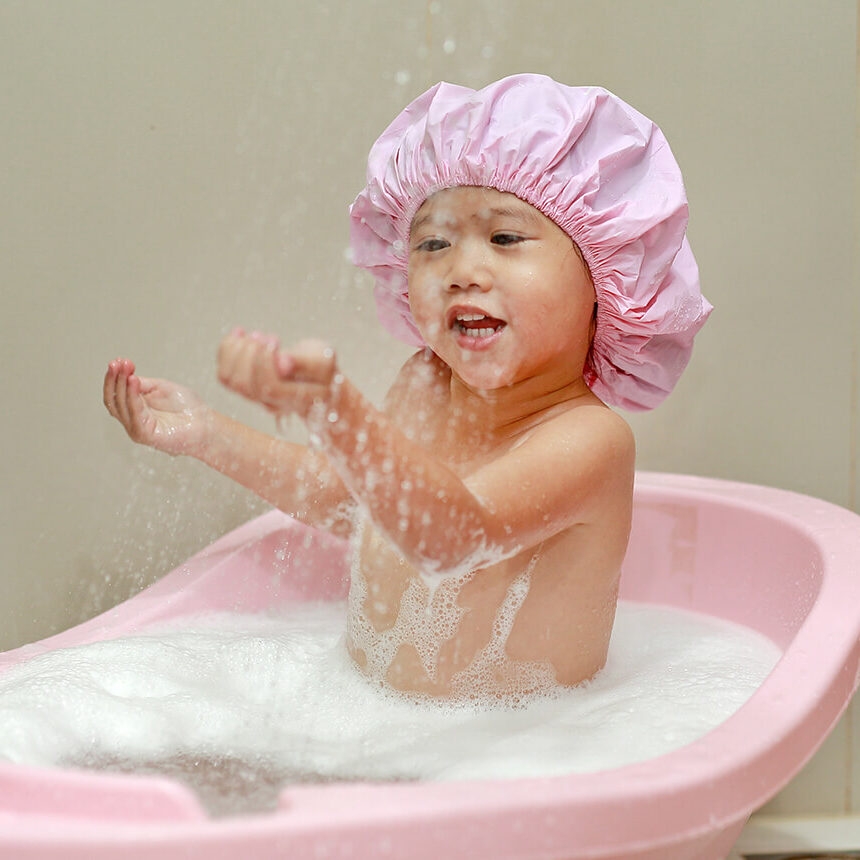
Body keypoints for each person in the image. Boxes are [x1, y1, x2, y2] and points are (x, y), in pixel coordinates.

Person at [103, 74, 711, 701]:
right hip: (380, 726)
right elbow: (356, 502)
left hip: (514, 758)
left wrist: (334, 411)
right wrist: (205, 433)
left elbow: (452, 540)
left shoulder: (590, 440)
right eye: (433, 243)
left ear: (603, 283)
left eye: (505, 238)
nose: (461, 271)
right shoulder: (424, 380)